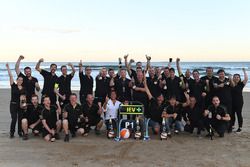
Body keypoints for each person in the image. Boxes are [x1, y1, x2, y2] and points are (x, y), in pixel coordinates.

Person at [6, 63, 26, 138]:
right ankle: (12, 133)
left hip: (20, 105)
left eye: (21, 80)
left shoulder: (24, 88)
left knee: (20, 119)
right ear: (17, 80)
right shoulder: (13, 85)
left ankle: (20, 132)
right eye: (19, 79)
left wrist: (24, 106)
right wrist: (8, 67)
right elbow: (10, 76)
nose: (20, 81)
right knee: (14, 119)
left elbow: (24, 98)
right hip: (13, 104)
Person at [231, 68, 248, 132]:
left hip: (239, 102)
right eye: (235, 77)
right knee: (232, 114)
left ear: (239, 78)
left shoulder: (241, 84)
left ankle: (240, 127)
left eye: (237, 77)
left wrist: (244, 71)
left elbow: (246, 79)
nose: (236, 78)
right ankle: (232, 126)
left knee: (239, 114)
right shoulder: (230, 85)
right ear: (233, 78)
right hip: (232, 102)